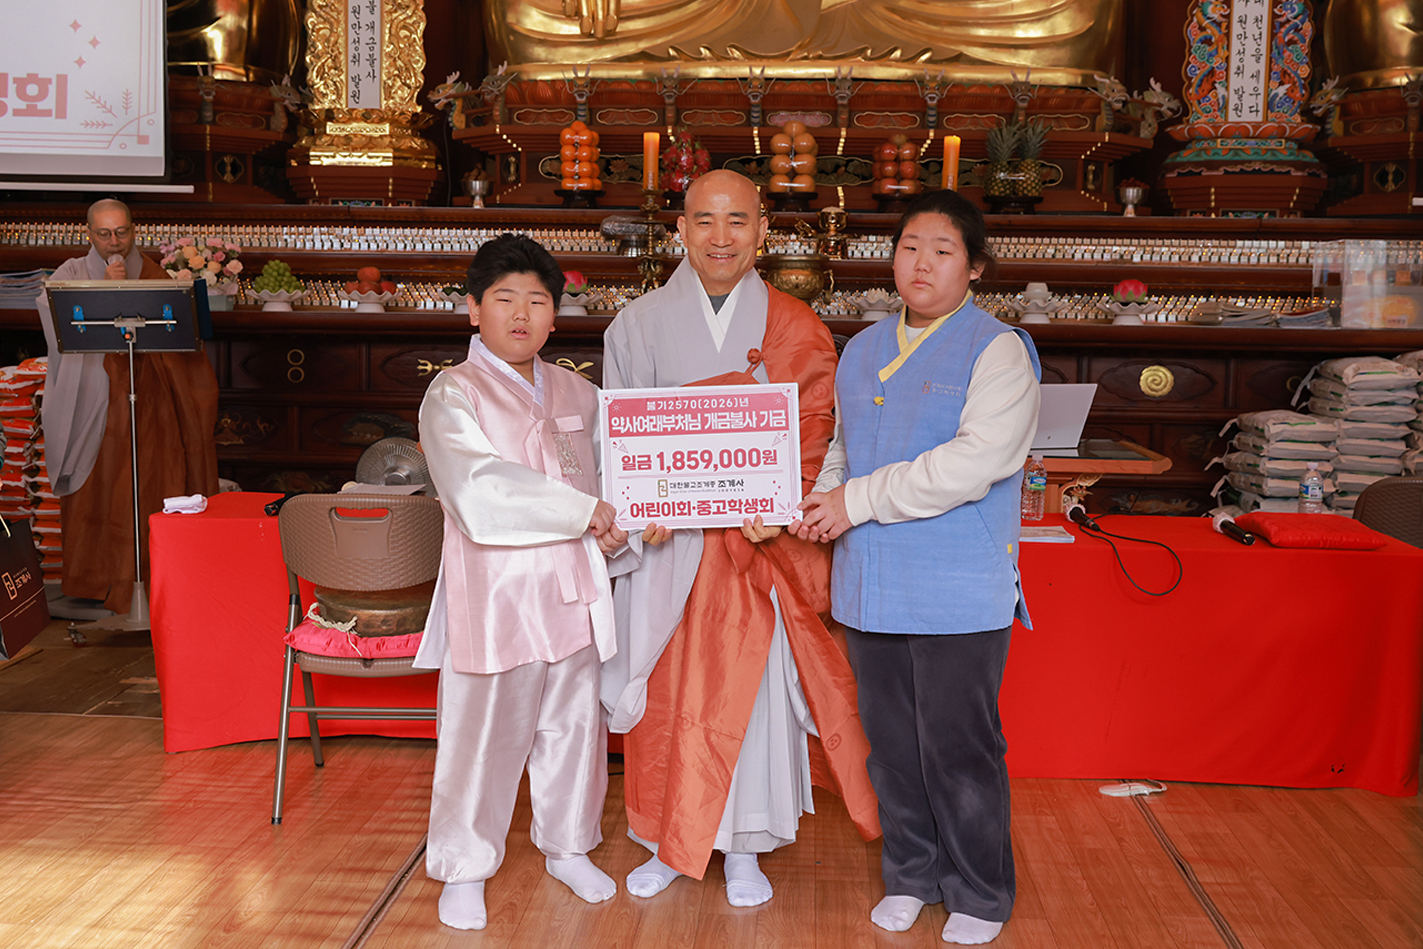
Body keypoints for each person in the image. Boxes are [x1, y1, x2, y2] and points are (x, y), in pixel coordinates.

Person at [601, 169, 879, 907]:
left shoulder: (795, 324)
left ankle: (746, 843)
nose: (720, 237)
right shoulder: (637, 324)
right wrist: (638, 505)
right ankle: (667, 839)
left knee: (752, 701)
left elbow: (821, 436)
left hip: (759, 550)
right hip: (669, 549)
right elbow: (616, 443)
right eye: (704, 220)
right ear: (680, 230)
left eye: (737, 221)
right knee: (667, 693)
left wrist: (785, 507)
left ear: (762, 231)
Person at [794, 189, 1041, 945]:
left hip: (956, 588)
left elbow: (973, 463)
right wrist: (815, 501)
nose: (921, 263)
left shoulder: (997, 350)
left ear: (975, 267)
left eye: (942, 250)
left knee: (959, 748)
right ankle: (911, 874)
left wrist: (855, 500)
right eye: (908, 248)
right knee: (893, 746)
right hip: (871, 585)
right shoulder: (863, 347)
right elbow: (845, 449)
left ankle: (979, 890)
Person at [414, 234, 625, 931]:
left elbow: (611, 482)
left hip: (573, 585)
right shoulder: (453, 392)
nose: (521, 314)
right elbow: (477, 489)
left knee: (574, 724)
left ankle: (568, 846)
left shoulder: (579, 391)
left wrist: (618, 524)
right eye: (504, 299)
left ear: (555, 316)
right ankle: (464, 866)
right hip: (496, 592)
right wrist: (582, 511)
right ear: (473, 309)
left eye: (537, 301)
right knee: (482, 733)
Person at [36, 198, 219, 614]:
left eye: (121, 232)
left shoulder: (154, 274)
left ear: (134, 230)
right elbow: (54, 317)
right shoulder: (71, 272)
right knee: (98, 487)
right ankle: (94, 578)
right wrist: (103, 289)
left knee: (147, 482)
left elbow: (182, 338)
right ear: (89, 234)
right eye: (104, 234)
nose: (114, 242)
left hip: (148, 402)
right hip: (92, 402)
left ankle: (152, 578)